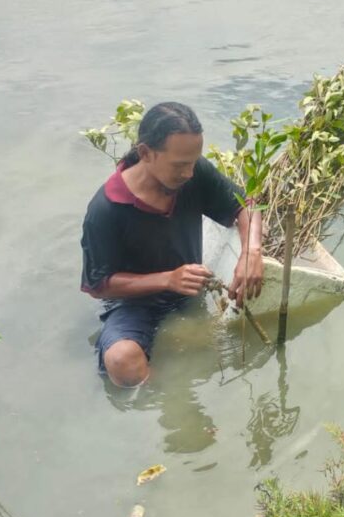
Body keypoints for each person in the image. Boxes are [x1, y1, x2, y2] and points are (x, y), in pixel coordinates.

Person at [81, 102, 264, 387]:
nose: (189, 173)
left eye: (193, 162)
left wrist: (251, 252)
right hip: (133, 304)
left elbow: (245, 205)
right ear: (145, 153)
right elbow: (98, 285)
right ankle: (162, 393)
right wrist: (168, 279)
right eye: (179, 165)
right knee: (122, 362)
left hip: (190, 292)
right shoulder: (106, 209)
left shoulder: (194, 173)